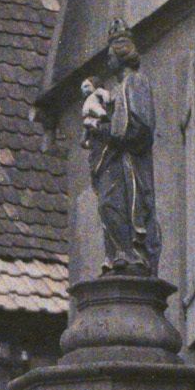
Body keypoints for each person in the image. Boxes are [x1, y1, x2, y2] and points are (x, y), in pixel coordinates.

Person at [82, 20, 161, 276]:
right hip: (115, 161)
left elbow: (140, 128)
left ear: (121, 54)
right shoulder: (115, 90)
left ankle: (132, 255)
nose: (107, 62)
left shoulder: (136, 83)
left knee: (118, 206)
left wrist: (105, 131)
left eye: (110, 56)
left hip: (131, 165)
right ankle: (119, 255)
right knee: (108, 206)